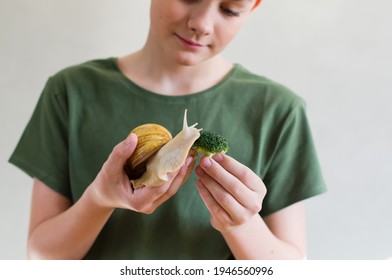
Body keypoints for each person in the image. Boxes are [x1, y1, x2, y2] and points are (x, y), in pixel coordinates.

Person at [9, 0, 326, 260]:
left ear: (252, 9)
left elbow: (291, 267)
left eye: (229, 9)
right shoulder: (70, 93)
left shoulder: (278, 110)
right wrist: (100, 198)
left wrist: (239, 224)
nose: (202, 24)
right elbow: (41, 258)